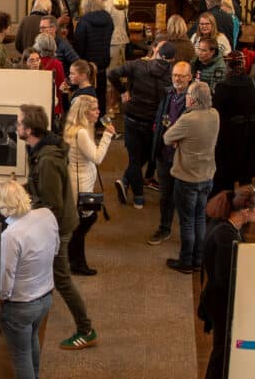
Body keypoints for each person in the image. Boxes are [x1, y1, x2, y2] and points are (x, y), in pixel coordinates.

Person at [16, 104, 97, 351]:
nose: (16, 127)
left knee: (62, 279)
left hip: (58, 228)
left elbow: (51, 204)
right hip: (58, 224)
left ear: (29, 129)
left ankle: (86, 329)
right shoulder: (40, 151)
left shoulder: (47, 159)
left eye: (19, 123)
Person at [0, 179, 58, 379]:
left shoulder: (11, 235)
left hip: (20, 306)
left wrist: (0, 302)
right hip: (46, 296)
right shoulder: (47, 215)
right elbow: (55, 249)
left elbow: (5, 278)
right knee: (32, 342)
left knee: (21, 356)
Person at [198, 186, 255, 379]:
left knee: (222, 349)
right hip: (220, 303)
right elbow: (224, 278)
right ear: (246, 212)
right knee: (222, 351)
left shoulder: (225, 224)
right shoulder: (226, 236)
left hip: (216, 299)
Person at [163, 81, 220, 274]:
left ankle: (185, 261)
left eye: (188, 94)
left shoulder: (188, 119)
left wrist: (179, 140)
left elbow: (167, 137)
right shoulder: (215, 115)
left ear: (193, 99)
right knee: (199, 219)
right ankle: (198, 259)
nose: (185, 96)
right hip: (207, 175)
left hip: (187, 177)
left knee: (187, 220)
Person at [109, 42, 174, 209]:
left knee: (134, 159)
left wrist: (123, 90)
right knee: (143, 158)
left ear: (157, 53)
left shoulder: (137, 65)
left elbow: (112, 73)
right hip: (153, 121)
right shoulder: (172, 74)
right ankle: (132, 190)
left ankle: (137, 195)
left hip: (132, 117)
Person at [64, 94, 113, 276]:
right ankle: (76, 262)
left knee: (81, 222)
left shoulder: (75, 127)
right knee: (84, 221)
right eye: (94, 109)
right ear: (85, 111)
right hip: (81, 184)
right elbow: (98, 158)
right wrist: (107, 136)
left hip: (79, 180)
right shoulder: (82, 132)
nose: (98, 112)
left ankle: (75, 260)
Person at [147, 61, 192, 245]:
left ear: (189, 77)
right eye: (175, 75)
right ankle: (164, 228)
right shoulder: (167, 95)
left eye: (181, 75)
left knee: (184, 198)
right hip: (164, 155)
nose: (177, 79)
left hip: (183, 158)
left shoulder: (193, 100)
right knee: (165, 196)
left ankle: (187, 237)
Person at [212, 52, 255, 194]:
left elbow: (216, 112)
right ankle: (245, 210)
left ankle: (225, 212)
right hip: (250, 136)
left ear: (227, 66)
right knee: (246, 180)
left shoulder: (222, 87)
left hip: (228, 138)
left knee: (225, 181)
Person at [72, 0, 115, 115]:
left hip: (88, 63)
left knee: (87, 92)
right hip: (103, 60)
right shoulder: (108, 18)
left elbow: (79, 43)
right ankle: (100, 117)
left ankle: (87, 118)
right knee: (101, 91)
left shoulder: (84, 21)